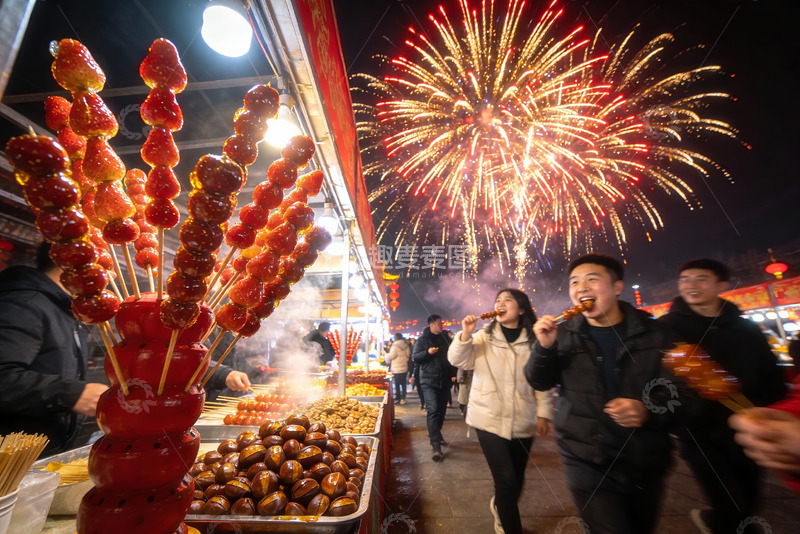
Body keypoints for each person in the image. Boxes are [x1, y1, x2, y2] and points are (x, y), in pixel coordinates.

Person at [525, 253, 678, 534]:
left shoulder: (656, 333)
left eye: (591, 280)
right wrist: (544, 347)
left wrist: (647, 409)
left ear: (617, 287)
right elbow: (538, 381)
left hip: (644, 458)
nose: (581, 288)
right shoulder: (564, 333)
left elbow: (680, 392)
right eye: (574, 282)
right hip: (585, 457)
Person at [658, 258, 786, 534]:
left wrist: (767, 405)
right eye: (685, 280)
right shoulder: (665, 329)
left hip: (748, 425)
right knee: (730, 500)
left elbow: (769, 371)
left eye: (701, 278)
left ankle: (715, 521)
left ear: (721, 285)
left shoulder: (745, 328)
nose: (691, 285)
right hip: (699, 430)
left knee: (751, 496)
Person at [449, 289, 553, 534]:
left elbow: (542, 380)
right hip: (488, 417)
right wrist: (465, 334)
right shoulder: (483, 337)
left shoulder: (535, 340)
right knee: (505, 480)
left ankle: (500, 506)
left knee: (517, 480)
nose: (500, 304)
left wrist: (543, 412)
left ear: (522, 309)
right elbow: (458, 360)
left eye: (508, 300)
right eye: (498, 300)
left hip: (523, 418)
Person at [0, 242, 107, 457]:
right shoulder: (25, 303)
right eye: (104, 266)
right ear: (71, 262)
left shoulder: (64, 308)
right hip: (10, 460)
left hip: (41, 454)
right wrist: (72, 394)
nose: (110, 276)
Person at [412, 314, 454, 461]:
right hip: (428, 381)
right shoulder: (422, 340)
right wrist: (427, 353)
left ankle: (436, 433)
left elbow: (453, 358)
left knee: (441, 411)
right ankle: (435, 446)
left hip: (444, 380)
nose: (441, 325)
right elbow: (415, 357)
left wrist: (454, 374)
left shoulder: (446, 339)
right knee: (433, 410)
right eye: (439, 323)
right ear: (431, 325)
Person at [385, 332, 411, 404]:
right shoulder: (406, 345)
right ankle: (403, 398)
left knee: (397, 383)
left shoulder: (395, 345)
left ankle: (398, 397)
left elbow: (392, 355)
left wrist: (386, 355)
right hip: (404, 367)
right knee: (403, 383)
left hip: (397, 368)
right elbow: (408, 354)